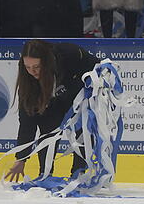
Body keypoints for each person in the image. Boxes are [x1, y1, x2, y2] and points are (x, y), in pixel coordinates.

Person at [5, 39, 99, 182]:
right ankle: (45, 173)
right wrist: (21, 159)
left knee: (83, 128)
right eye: (28, 67)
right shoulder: (28, 82)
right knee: (48, 128)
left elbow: (98, 67)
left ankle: (79, 174)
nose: (32, 72)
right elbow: (27, 123)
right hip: (52, 100)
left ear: (47, 61)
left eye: (36, 66)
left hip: (77, 97)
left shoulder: (69, 54)